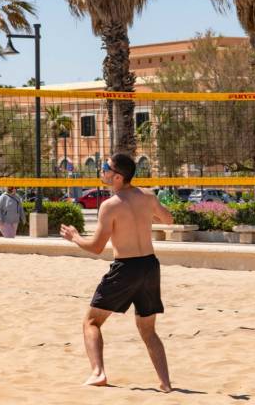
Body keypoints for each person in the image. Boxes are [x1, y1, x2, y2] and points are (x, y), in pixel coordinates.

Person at [60, 153, 174, 392]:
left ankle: (98, 373)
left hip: (126, 269)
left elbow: (97, 247)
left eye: (105, 168)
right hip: (150, 266)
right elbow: (169, 219)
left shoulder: (109, 206)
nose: (101, 171)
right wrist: (146, 211)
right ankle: (165, 383)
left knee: (91, 322)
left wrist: (75, 237)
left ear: (118, 177)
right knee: (148, 330)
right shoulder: (148, 196)